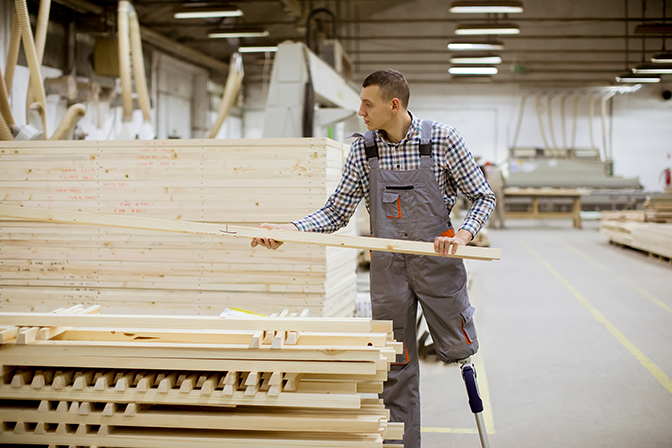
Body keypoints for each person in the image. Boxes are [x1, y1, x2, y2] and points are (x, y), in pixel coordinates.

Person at [251, 69, 495, 448]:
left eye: (368, 103)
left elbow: (483, 196)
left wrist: (463, 234)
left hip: (437, 263)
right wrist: (291, 229)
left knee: (461, 351)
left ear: (393, 105)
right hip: (388, 270)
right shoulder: (364, 150)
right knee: (395, 365)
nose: (360, 111)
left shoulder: (443, 140)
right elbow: (336, 212)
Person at [482, 161, 506, 229]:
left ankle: (492, 224)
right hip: (499, 188)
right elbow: (503, 180)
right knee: (501, 207)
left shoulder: (486, 169)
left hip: (490, 189)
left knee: (491, 207)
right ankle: (502, 224)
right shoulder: (498, 170)